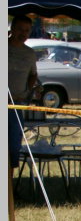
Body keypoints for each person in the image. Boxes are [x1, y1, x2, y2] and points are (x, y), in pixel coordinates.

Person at [8, 15, 40, 174]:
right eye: (20, 29)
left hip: (16, 106)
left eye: (27, 31)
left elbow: (34, 74)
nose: (23, 33)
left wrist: (27, 91)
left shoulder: (30, 54)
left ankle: (9, 191)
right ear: (12, 29)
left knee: (13, 148)